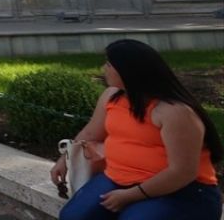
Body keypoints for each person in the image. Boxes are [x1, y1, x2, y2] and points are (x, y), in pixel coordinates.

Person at [55, 39, 222, 220]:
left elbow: (182, 172)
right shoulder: (111, 96)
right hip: (118, 178)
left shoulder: (174, 112)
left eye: (109, 64)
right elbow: (90, 133)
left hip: (182, 191)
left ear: (129, 70)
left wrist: (131, 195)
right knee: (72, 217)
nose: (104, 68)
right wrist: (65, 159)